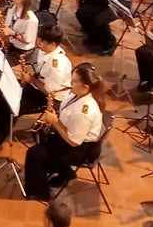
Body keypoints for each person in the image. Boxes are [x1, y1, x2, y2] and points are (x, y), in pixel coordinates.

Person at [0, 23, 71, 160]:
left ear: (53, 44)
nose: (39, 43)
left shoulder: (57, 66)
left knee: (12, 108)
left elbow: (50, 91)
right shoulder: (45, 51)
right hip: (36, 87)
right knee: (4, 96)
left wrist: (31, 79)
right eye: (39, 39)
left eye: (42, 41)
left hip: (47, 97)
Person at [23, 63, 105, 202]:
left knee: (34, 153)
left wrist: (55, 122)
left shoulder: (84, 112)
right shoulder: (75, 94)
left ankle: (40, 192)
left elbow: (73, 141)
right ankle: (65, 172)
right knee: (40, 135)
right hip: (72, 139)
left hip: (81, 150)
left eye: (73, 82)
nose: (69, 84)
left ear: (85, 87)